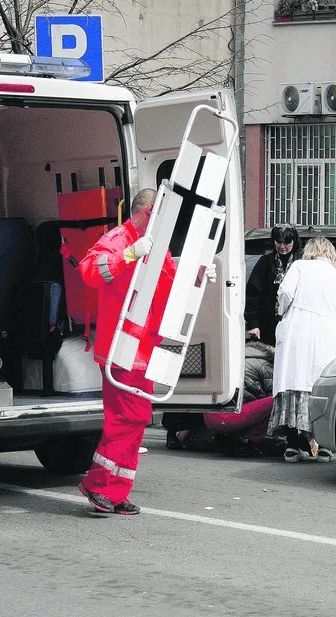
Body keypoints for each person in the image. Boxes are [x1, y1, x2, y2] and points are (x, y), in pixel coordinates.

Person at [77, 188, 216, 515]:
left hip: (142, 348)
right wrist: (128, 255)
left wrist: (196, 278)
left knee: (136, 421)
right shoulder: (119, 239)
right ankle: (98, 485)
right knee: (130, 417)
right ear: (149, 210)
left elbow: (168, 289)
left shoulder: (154, 245)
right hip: (120, 348)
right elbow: (89, 271)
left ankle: (115, 492)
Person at [269, 237, 336, 463]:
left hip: (299, 330)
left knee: (294, 382)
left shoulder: (299, 267)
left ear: (309, 251)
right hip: (331, 334)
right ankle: (325, 448)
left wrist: (285, 314)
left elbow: (285, 293)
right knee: (322, 387)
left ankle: (292, 445)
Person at [164, 341, 285, 457]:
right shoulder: (269, 366)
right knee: (277, 400)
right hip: (229, 418)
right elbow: (271, 411)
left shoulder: (234, 359)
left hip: (208, 416)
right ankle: (250, 441)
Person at [245, 224, 302, 345]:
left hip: (297, 325)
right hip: (268, 326)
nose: (282, 246)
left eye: (287, 242)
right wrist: (253, 324)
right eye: (278, 242)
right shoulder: (265, 262)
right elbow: (252, 294)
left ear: (294, 241)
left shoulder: (302, 263)